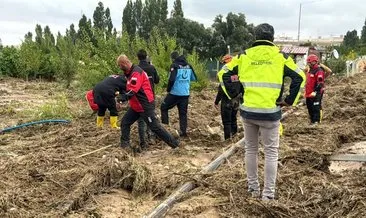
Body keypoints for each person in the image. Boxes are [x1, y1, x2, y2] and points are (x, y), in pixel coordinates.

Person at [225, 23, 305, 200]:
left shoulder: (244, 55)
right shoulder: (280, 56)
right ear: (272, 38)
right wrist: (289, 100)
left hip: (248, 112)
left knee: (250, 150)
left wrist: (234, 94)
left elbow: (223, 73)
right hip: (270, 113)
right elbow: (300, 76)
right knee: (271, 152)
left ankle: (253, 190)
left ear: (255, 37)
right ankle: (268, 195)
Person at [116, 54, 179, 152]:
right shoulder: (129, 73)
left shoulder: (136, 73)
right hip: (136, 106)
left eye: (120, 65)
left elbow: (132, 91)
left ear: (125, 63)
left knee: (155, 127)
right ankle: (125, 147)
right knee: (125, 122)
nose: (120, 68)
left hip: (145, 106)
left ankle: (175, 145)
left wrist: (121, 98)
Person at [160, 51, 197, 137]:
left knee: (163, 107)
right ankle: (183, 132)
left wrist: (168, 89)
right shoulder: (189, 65)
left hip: (175, 93)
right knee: (183, 113)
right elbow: (194, 78)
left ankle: (165, 129)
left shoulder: (174, 65)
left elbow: (172, 79)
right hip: (185, 93)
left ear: (173, 58)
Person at [214, 54, 242, 140]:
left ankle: (227, 139)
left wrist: (216, 101)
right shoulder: (238, 72)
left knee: (227, 122)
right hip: (236, 99)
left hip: (227, 100)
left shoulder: (225, 74)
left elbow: (221, 89)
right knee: (234, 119)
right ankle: (234, 137)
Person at [136, 49, 160, 149]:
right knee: (151, 118)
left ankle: (143, 143)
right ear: (146, 57)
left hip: (139, 99)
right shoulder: (151, 67)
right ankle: (152, 137)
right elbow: (157, 81)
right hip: (150, 97)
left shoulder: (136, 69)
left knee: (141, 121)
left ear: (138, 57)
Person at [305, 54, 325, 125]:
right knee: (309, 107)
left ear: (314, 62)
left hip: (316, 92)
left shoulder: (319, 71)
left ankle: (316, 121)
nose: (308, 64)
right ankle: (312, 120)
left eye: (309, 62)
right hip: (309, 93)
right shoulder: (310, 71)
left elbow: (320, 83)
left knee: (316, 106)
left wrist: (315, 92)